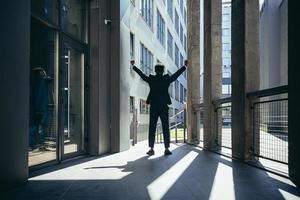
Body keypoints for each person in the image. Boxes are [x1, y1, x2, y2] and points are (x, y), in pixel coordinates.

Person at [131, 60, 187, 156]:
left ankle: (151, 149)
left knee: (152, 127)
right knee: (165, 127)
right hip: (164, 106)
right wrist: (184, 66)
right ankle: (166, 149)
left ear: (155, 70)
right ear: (163, 71)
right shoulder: (166, 79)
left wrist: (133, 66)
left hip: (154, 106)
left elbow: (142, 75)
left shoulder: (151, 79)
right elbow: (176, 75)